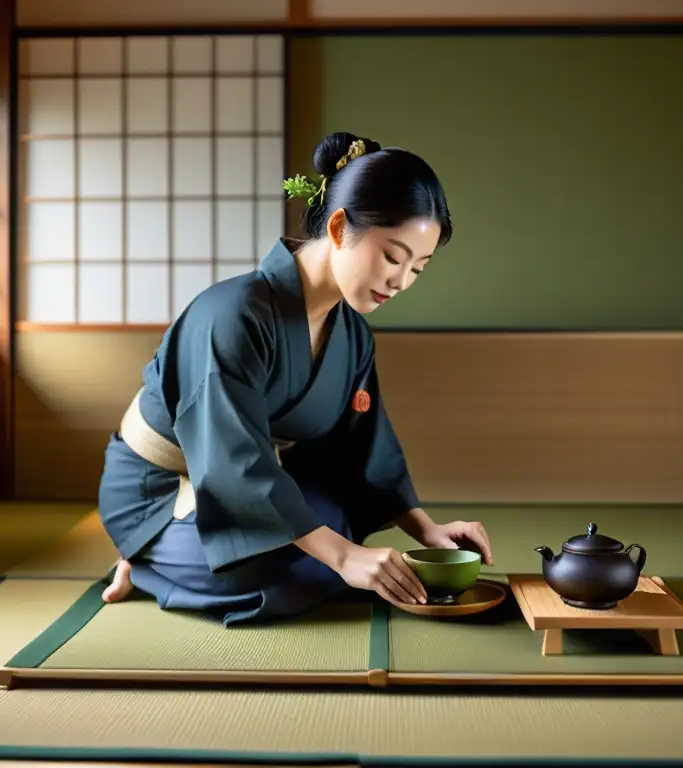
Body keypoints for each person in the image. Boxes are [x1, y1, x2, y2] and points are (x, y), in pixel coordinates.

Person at [96, 131, 494, 626]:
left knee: (338, 529)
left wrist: (425, 530)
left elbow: (365, 448)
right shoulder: (231, 315)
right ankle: (147, 560)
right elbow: (233, 461)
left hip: (253, 485)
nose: (401, 281)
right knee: (296, 568)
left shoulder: (351, 333)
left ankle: (244, 554)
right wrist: (342, 555)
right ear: (338, 226)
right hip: (164, 489)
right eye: (393, 257)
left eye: (419, 267)